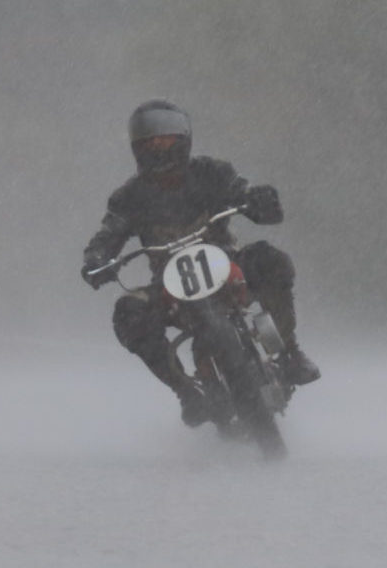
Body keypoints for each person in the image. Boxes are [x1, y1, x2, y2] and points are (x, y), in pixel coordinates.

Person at [82, 100, 320, 427]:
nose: (159, 148)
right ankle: (186, 391)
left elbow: (243, 193)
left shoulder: (212, 173)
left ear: (184, 140)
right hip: (169, 286)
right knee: (129, 313)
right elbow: (109, 232)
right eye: (150, 142)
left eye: (166, 140)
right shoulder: (129, 197)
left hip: (230, 266)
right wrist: (97, 259)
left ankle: (289, 352)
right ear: (137, 148)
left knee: (272, 261)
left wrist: (257, 200)